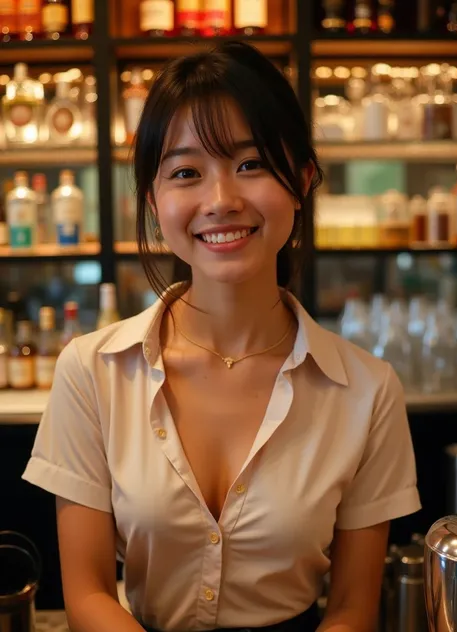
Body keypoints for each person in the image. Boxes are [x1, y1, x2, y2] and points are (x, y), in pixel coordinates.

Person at [22, 41, 421, 632]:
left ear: (303, 179)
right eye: (186, 172)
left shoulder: (367, 389)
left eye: (251, 164)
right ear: (154, 202)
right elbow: (88, 596)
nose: (221, 201)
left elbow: (353, 610)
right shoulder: (92, 370)